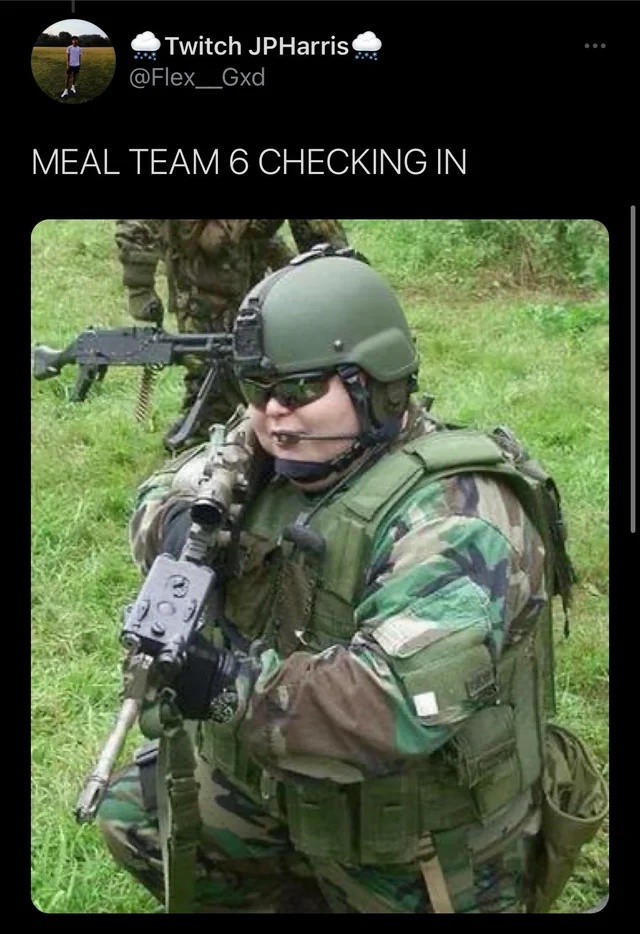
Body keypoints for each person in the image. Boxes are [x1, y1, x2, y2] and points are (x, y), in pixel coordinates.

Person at [95, 246, 607, 913]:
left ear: (376, 383)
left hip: (417, 831)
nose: (272, 413)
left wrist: (224, 687)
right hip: (288, 787)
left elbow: (388, 707)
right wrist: (176, 530)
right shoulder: (280, 448)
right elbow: (177, 481)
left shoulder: (457, 520)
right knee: (136, 816)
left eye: (299, 390)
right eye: (257, 388)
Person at [114, 219, 354, 451]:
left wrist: (333, 272)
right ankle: (206, 433)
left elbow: (317, 229)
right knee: (213, 368)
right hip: (201, 278)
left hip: (249, 262)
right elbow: (135, 225)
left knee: (260, 357)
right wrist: (139, 287)